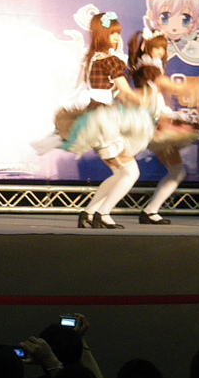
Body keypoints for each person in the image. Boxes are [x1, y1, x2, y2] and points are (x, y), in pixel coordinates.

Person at [54, 12, 155, 229]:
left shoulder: (91, 58)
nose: (117, 38)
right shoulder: (109, 60)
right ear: (101, 35)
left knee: (119, 172)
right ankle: (104, 213)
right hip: (103, 120)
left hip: (95, 117)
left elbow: (97, 88)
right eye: (112, 34)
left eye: (118, 33)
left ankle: (89, 213)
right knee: (131, 172)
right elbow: (125, 91)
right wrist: (145, 98)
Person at [127, 28, 199, 225]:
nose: (161, 52)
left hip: (155, 119)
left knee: (177, 171)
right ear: (147, 47)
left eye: (163, 49)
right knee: (125, 172)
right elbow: (170, 86)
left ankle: (150, 211)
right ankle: (98, 212)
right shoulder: (148, 67)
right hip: (151, 121)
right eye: (157, 48)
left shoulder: (149, 67)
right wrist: (197, 88)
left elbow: (165, 89)